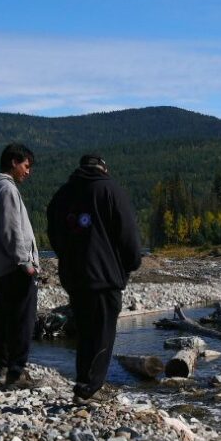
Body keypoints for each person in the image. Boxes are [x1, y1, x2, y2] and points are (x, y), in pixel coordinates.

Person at [47, 154, 142, 403]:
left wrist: (67, 257)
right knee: (102, 332)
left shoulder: (62, 194)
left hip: (74, 275)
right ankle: (89, 388)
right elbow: (128, 231)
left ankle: (83, 382)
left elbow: (53, 234)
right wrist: (132, 263)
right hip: (105, 275)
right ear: (103, 168)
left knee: (85, 330)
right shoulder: (110, 189)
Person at [0, 142, 39, 389]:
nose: (28, 172)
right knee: (22, 321)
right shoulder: (7, 190)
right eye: (26, 166)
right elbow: (13, 231)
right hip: (15, 268)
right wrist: (26, 263)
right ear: (14, 162)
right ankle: (15, 372)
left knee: (3, 319)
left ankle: (3, 369)